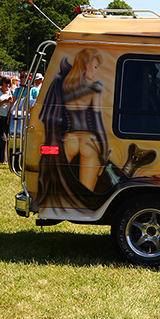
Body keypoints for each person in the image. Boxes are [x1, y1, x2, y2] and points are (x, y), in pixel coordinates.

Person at [34, 48, 109, 211]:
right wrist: (104, 148)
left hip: (69, 139)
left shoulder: (63, 86)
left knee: (61, 180)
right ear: (86, 64)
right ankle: (81, 210)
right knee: (85, 191)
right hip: (89, 142)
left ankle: (59, 207)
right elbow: (98, 123)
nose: (96, 72)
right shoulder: (95, 89)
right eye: (95, 67)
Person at [0, 76, 15, 165]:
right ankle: (3, 159)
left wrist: (9, 116)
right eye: (6, 83)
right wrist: (4, 102)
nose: (8, 85)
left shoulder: (12, 91)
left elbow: (13, 106)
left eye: (9, 83)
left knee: (8, 138)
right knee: (3, 138)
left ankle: (6, 158)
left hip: (8, 117)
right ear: (2, 83)